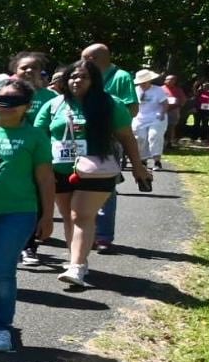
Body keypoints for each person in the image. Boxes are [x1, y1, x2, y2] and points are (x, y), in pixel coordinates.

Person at [33, 59, 152, 290]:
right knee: (69, 217)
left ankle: (76, 267)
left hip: (97, 171)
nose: (77, 80)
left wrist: (138, 166)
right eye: (72, 76)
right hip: (60, 171)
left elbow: (127, 137)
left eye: (83, 77)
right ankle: (77, 261)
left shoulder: (110, 104)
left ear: (94, 80)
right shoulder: (54, 105)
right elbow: (39, 137)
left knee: (81, 216)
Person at [0, 80, 54, 353]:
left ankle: (1, 327)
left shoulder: (35, 136)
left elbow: (45, 179)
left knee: (2, 271)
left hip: (19, 213)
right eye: (0, 99)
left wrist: (47, 216)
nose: (4, 105)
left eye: (13, 101)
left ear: (26, 107)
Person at [81, 44, 138, 254]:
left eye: (85, 58)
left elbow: (132, 107)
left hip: (108, 139)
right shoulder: (84, 75)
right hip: (81, 138)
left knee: (106, 185)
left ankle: (103, 235)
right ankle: (86, 231)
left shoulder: (120, 76)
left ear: (95, 58)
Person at [3, 52, 59, 267]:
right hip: (9, 155)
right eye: (23, 68)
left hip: (39, 159)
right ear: (14, 71)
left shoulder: (51, 98)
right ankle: (11, 245)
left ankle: (29, 247)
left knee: (34, 203)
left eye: (33, 68)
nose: (28, 71)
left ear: (41, 72)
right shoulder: (4, 94)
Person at [132, 70, 169, 170]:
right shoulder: (135, 90)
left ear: (149, 81)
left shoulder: (158, 90)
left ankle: (157, 161)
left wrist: (162, 113)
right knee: (140, 138)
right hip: (140, 117)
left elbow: (165, 103)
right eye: (140, 82)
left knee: (154, 136)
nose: (142, 84)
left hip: (156, 116)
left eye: (144, 82)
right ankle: (143, 160)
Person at [163, 74, 188, 146]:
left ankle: (170, 142)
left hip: (173, 111)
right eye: (167, 79)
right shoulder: (160, 89)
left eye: (170, 79)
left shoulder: (178, 90)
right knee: (161, 126)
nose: (167, 81)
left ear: (174, 81)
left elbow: (183, 100)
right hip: (162, 110)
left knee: (171, 126)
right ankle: (161, 141)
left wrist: (179, 104)